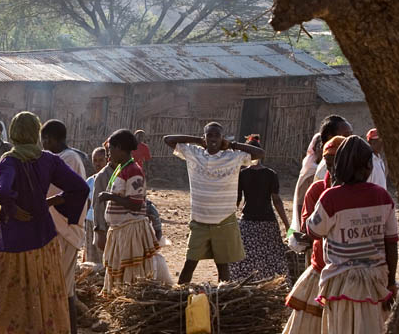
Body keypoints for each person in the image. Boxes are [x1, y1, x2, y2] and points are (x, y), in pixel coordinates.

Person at [0, 112, 88, 334]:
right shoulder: (48, 160)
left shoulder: (9, 159)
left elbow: (3, 189)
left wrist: (13, 207)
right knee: (37, 300)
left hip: (12, 242)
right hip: (43, 240)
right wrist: (54, 202)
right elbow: (80, 188)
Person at [307, 135, 398, 334]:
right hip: (376, 281)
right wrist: (391, 282)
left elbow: (313, 231)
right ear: (368, 167)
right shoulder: (382, 197)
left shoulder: (330, 198)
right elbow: (391, 243)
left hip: (341, 283)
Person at [164, 122, 264, 284]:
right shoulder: (193, 153)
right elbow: (168, 139)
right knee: (189, 265)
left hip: (223, 220)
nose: (213, 139)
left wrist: (232, 144)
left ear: (222, 138)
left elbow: (260, 153)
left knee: (222, 268)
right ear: (205, 137)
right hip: (199, 221)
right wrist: (198, 140)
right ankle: (181, 299)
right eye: (209, 135)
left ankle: (221, 300)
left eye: (217, 135)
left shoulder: (233, 156)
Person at [279, 135, 345, 334]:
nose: (334, 170)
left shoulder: (358, 191)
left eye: (339, 163)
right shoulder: (317, 190)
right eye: (330, 164)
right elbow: (311, 229)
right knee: (312, 330)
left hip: (347, 271)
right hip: (321, 265)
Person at [37, 119, 87, 334]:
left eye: (44, 141)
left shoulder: (67, 160)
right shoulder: (67, 158)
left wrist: (43, 203)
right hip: (61, 232)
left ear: (49, 139)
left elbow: (73, 193)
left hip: (65, 233)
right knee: (63, 294)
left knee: (60, 295)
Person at [97, 129, 168, 292]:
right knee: (120, 272)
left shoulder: (133, 171)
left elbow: (136, 204)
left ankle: (128, 301)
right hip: (120, 231)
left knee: (131, 274)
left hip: (130, 231)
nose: (109, 155)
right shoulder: (122, 168)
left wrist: (110, 197)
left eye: (111, 150)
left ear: (120, 148)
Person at [228, 135, 291, 282]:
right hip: (268, 223)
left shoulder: (242, 174)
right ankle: (274, 285)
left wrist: (230, 221)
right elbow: (277, 201)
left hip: (247, 222)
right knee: (272, 258)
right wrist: (288, 226)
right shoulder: (270, 174)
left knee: (244, 257)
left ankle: (244, 284)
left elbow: (237, 201)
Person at [290, 115, 353, 251]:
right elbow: (312, 212)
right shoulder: (327, 168)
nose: (350, 140)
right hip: (328, 246)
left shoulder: (353, 167)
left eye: (351, 135)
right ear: (331, 137)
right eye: (346, 135)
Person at [83, 147, 108, 264]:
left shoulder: (111, 180)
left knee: (104, 253)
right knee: (91, 252)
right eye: (95, 160)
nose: (98, 163)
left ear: (107, 160)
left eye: (101, 160)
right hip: (90, 221)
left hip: (104, 221)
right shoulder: (90, 181)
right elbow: (87, 203)